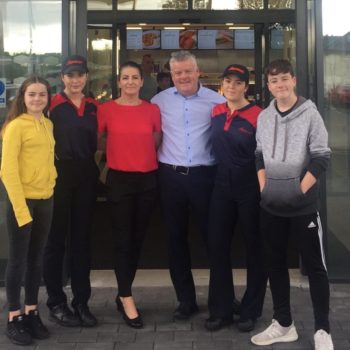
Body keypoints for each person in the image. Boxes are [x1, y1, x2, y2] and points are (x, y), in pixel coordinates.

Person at [251, 59, 333, 350]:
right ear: (268, 85)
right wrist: (264, 187)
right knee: (274, 264)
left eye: (284, 79)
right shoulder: (264, 116)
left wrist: (299, 190)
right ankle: (284, 324)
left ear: (294, 80)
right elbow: (259, 155)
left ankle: (322, 330)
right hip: (271, 206)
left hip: (303, 207)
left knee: (315, 267)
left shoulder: (311, 114)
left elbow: (322, 156)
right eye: (274, 81)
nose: (280, 85)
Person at [151, 50, 226, 320]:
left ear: (198, 72)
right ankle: (186, 301)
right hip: (170, 178)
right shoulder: (158, 101)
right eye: (177, 72)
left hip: (205, 178)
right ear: (171, 75)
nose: (183, 76)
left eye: (187, 71)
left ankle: (221, 301)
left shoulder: (217, 101)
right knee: (175, 241)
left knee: (214, 241)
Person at [97, 61, 161, 329]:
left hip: (147, 179)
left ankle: (123, 290)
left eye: (135, 77)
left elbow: (157, 140)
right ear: (119, 81)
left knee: (137, 240)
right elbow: (99, 144)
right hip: (119, 181)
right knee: (122, 240)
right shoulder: (106, 110)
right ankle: (126, 296)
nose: (131, 82)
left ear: (142, 81)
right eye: (126, 78)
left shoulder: (153, 110)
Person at [205, 64, 267, 332]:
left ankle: (250, 311)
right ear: (222, 85)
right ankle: (222, 309)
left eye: (237, 82)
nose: (231, 86)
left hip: (250, 188)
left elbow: (265, 155)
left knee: (255, 248)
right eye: (227, 81)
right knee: (217, 247)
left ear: (246, 86)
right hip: (221, 186)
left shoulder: (259, 116)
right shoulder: (216, 111)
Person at [43, 55, 99, 328]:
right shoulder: (51, 105)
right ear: (62, 78)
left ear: (86, 77)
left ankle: (81, 301)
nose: (75, 80)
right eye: (70, 75)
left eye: (80, 75)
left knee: (82, 240)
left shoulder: (93, 106)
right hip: (59, 174)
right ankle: (56, 302)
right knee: (56, 240)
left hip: (86, 174)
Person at [0, 76, 56, 345]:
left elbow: (48, 161)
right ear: (22, 97)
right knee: (18, 260)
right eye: (32, 94)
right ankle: (14, 316)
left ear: (48, 98)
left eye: (42, 95)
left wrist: (51, 184)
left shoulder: (47, 124)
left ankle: (32, 311)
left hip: (45, 199)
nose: (37, 99)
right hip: (22, 202)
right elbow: (7, 171)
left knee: (37, 259)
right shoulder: (15, 127)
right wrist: (21, 208)